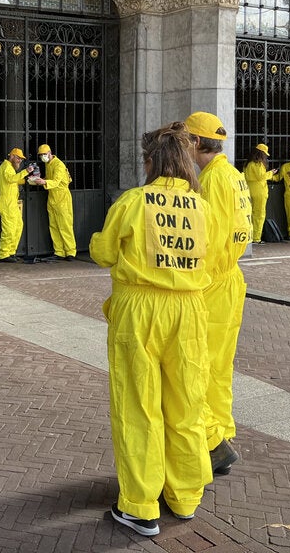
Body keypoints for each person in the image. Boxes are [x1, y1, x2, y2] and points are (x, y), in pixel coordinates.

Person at [90, 122, 215, 537]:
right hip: (190, 311)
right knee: (187, 402)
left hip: (140, 309)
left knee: (137, 406)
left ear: (151, 161)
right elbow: (211, 259)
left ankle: (141, 506)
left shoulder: (134, 202)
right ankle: (185, 495)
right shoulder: (202, 207)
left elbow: (104, 252)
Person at [185, 111, 253, 476]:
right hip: (231, 280)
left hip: (214, 282)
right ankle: (222, 433)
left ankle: (212, 443)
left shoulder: (211, 181)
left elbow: (209, 238)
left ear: (196, 142)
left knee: (200, 366)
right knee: (220, 367)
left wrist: (196, 282)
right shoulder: (234, 175)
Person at [28, 144, 76, 260]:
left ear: (50, 153)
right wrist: (38, 180)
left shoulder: (58, 165)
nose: (43, 157)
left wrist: (43, 182)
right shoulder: (48, 163)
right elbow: (49, 179)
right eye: (41, 155)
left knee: (65, 225)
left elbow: (56, 181)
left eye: (44, 154)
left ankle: (70, 252)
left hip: (62, 198)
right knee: (54, 225)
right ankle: (59, 251)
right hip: (52, 197)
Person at [0, 147, 34, 262]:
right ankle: (3, 254)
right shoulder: (6, 167)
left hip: (12, 203)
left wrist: (28, 180)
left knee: (18, 226)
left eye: (21, 159)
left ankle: (11, 252)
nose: (20, 161)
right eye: (18, 158)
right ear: (11, 156)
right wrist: (25, 171)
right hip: (7, 203)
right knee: (9, 229)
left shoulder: (10, 168)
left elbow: (15, 181)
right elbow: (11, 179)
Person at [243, 143, 277, 244]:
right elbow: (261, 176)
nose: (265, 157)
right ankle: (256, 238)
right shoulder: (258, 164)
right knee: (259, 214)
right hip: (259, 192)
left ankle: (249, 235)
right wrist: (271, 173)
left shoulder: (247, 164)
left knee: (249, 214)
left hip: (249, 190)